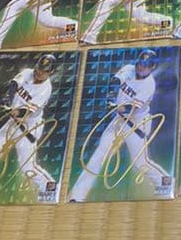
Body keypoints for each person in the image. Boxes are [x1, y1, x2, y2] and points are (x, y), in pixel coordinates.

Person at [69, 50, 170, 201]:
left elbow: (131, 109)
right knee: (99, 155)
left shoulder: (149, 85)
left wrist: (116, 106)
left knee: (141, 163)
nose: (141, 67)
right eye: (140, 63)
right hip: (120, 120)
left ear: (153, 67)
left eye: (146, 65)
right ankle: (77, 196)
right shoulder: (129, 69)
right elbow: (115, 81)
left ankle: (166, 182)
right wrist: (111, 96)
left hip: (136, 124)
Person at [0, 54, 58, 198]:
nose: (39, 72)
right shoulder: (28, 73)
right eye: (39, 68)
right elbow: (14, 84)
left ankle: (51, 189)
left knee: (27, 167)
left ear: (51, 72)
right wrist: (8, 99)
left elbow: (26, 112)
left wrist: (16, 111)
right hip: (12, 123)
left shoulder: (45, 89)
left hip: (29, 128)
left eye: (44, 71)